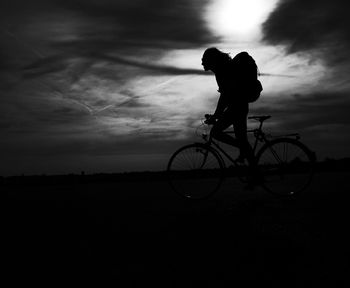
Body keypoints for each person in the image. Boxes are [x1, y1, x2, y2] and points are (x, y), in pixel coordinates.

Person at [201, 47, 260, 185]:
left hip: (237, 106)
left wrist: (216, 115)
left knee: (215, 132)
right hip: (239, 105)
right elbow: (226, 95)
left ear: (211, 60)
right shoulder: (223, 69)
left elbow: (226, 96)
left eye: (204, 60)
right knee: (243, 141)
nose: (202, 63)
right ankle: (255, 174)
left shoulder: (222, 70)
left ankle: (252, 168)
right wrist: (216, 114)